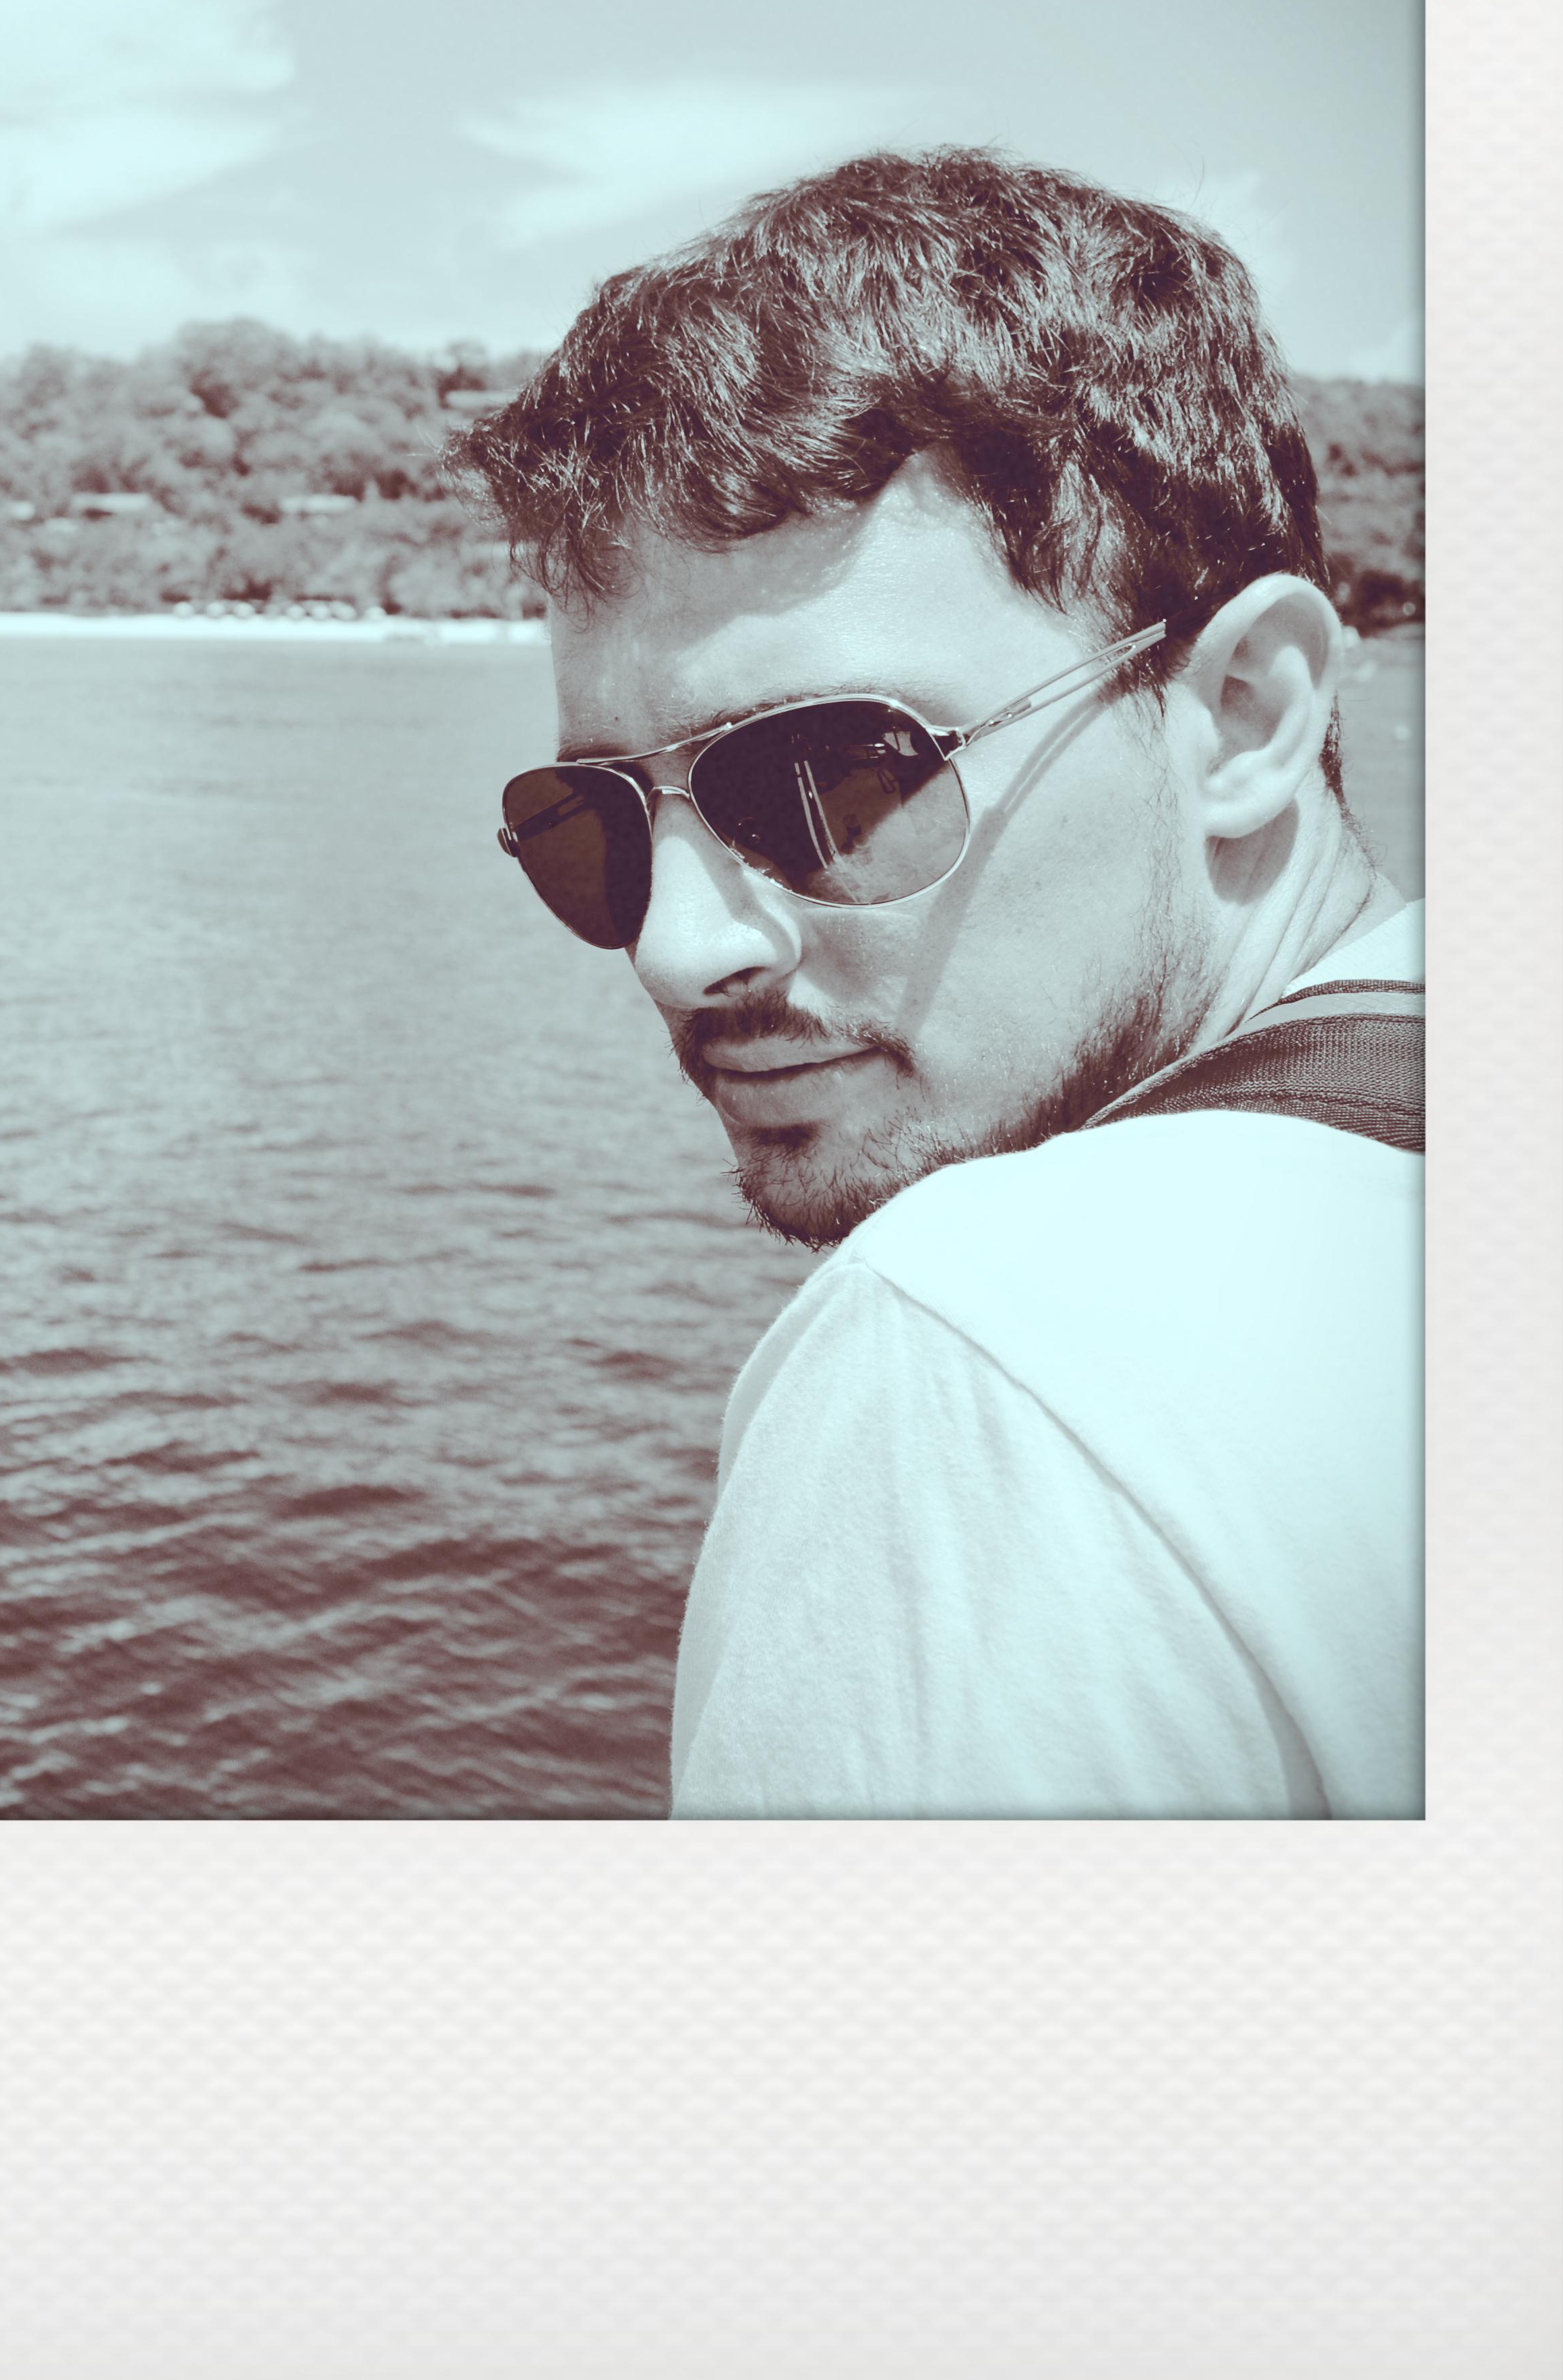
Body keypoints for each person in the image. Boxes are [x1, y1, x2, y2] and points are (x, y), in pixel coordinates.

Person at [458, 148, 1422, 1819]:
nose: (681, 949)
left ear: (1246, 715)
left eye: (833, 781)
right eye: (592, 823)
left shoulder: (983, 1357)